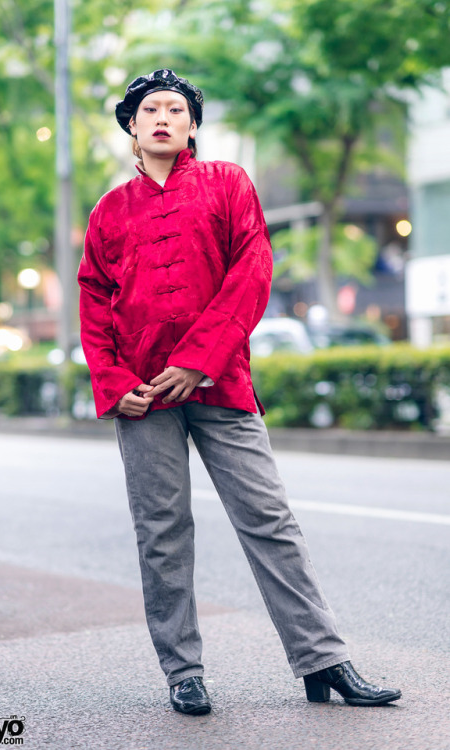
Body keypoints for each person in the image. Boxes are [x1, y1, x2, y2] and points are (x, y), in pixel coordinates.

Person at [77, 69, 401, 716]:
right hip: (144, 398)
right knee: (162, 532)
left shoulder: (228, 185)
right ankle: (184, 671)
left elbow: (253, 269)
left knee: (270, 522)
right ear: (133, 128)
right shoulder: (109, 213)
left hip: (221, 383)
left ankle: (323, 660)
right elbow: (94, 302)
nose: (164, 117)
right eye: (151, 110)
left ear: (193, 125)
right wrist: (116, 385)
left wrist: (199, 360)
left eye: (177, 109)